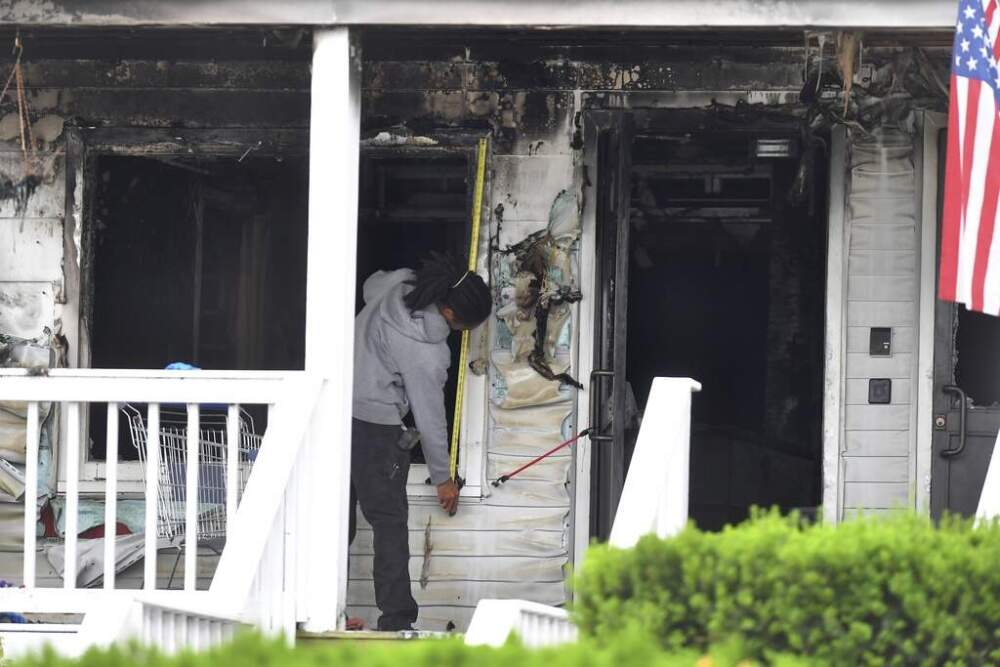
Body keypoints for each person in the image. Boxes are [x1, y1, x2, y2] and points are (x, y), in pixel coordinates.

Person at [349, 252, 493, 631]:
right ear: (448, 315)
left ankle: (320, 606)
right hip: (375, 426)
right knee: (390, 522)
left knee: (336, 519)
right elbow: (430, 420)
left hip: (335, 415)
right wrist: (443, 478)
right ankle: (396, 620)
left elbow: (369, 284)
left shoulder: (398, 285)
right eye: (465, 327)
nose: (462, 334)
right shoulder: (427, 349)